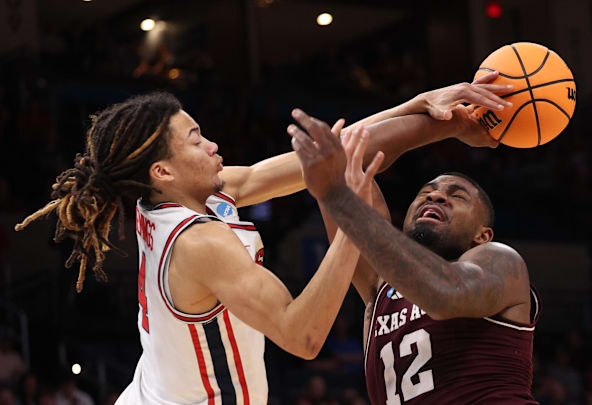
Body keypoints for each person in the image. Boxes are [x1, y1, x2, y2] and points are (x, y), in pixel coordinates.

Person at [14, 72, 513, 405]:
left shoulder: (178, 191)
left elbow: (319, 157)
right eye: (196, 140)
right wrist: (348, 214)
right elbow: (303, 336)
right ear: (163, 169)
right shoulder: (197, 243)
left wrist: (428, 115)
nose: (213, 145)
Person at [289, 109, 540, 404]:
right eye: (426, 193)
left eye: (457, 196)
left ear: (482, 235)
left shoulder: (502, 262)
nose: (435, 196)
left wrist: (338, 195)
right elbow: (347, 161)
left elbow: (445, 294)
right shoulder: (380, 285)